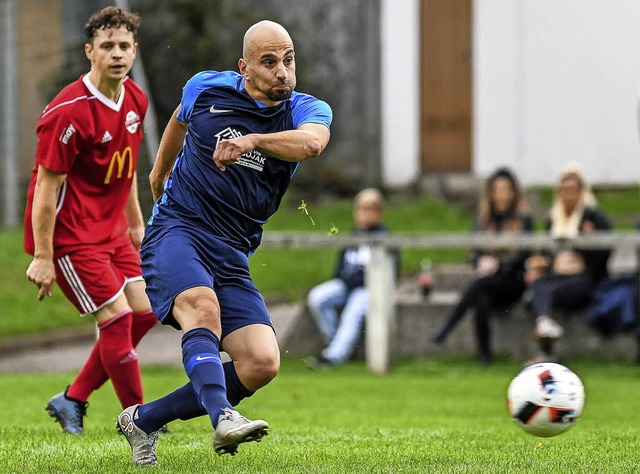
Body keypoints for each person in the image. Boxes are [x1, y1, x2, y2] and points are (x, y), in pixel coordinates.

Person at [114, 20, 332, 466]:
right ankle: (223, 417)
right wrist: (158, 175)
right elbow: (179, 118)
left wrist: (253, 140)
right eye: (269, 63)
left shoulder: (305, 110)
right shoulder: (207, 88)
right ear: (244, 67)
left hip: (232, 250)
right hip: (179, 228)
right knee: (202, 306)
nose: (282, 73)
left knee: (261, 362)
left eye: (288, 61)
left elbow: (311, 145)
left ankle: (143, 420)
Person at [23, 7, 157, 435]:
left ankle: (73, 398)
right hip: (71, 236)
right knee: (116, 319)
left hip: (113, 228)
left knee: (150, 309)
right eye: (106, 47)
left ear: (134, 51)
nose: (116, 54)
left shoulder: (135, 99)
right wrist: (44, 256)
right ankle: (141, 421)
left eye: (123, 46)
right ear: (90, 52)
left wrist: (136, 224)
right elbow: (46, 188)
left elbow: (127, 168)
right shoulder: (69, 112)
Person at [429, 167, 534, 365]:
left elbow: (524, 255)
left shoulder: (523, 219)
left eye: (506, 189)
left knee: (479, 286)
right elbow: (473, 251)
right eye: (497, 189)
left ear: (513, 192)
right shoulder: (483, 218)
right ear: (491, 192)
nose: (501, 194)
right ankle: (484, 354)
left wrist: (499, 264)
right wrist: (481, 261)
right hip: (488, 280)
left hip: (513, 281)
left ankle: (448, 326)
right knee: (481, 299)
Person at [524, 163, 612, 364]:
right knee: (536, 287)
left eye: (573, 190)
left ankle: (545, 351)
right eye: (564, 190)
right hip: (557, 275)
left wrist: (588, 242)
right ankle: (545, 328)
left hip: (583, 279)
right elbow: (548, 253)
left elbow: (605, 256)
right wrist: (540, 264)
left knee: (544, 294)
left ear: (582, 191)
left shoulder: (594, 218)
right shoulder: (553, 218)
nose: (568, 195)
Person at [305, 188, 397, 370]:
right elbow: (341, 265)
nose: (363, 215)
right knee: (318, 297)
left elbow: (390, 270)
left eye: (369, 210)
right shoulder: (354, 235)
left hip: (369, 288)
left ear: (379, 213)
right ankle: (336, 343)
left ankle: (333, 357)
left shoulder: (384, 237)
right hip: (346, 285)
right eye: (360, 210)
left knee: (353, 310)